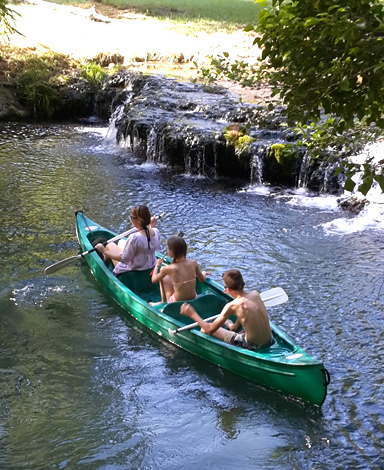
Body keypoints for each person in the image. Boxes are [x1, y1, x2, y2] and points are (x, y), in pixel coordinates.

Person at [180, 269, 273, 350]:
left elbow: (210, 329)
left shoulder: (232, 306)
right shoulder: (255, 294)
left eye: (225, 288)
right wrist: (234, 327)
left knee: (204, 329)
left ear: (229, 289)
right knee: (237, 324)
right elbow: (245, 314)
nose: (224, 290)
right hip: (269, 340)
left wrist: (192, 314)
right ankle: (232, 327)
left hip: (252, 345)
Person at [95, 205, 161, 275]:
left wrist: (104, 251)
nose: (130, 219)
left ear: (139, 221)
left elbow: (123, 259)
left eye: (132, 217)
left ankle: (106, 269)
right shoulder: (156, 231)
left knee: (109, 245)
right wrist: (151, 226)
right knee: (121, 242)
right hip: (149, 266)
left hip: (133, 270)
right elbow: (150, 244)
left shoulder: (134, 237)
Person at [150, 235, 208, 304]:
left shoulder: (168, 269)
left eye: (168, 249)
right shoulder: (193, 263)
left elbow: (153, 280)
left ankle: (163, 302)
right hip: (193, 298)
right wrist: (204, 273)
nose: (167, 251)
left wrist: (157, 266)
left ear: (172, 252)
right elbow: (202, 279)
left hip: (176, 303)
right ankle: (163, 301)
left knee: (164, 276)